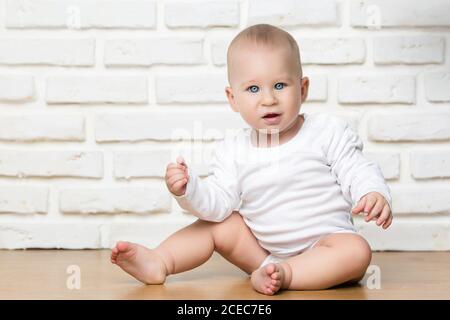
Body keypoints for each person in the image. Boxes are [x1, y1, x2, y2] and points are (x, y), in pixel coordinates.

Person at [111, 24, 393, 295]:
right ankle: (159, 262)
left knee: (357, 251)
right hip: (262, 254)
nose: (268, 99)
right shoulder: (232, 149)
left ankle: (288, 274)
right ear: (232, 98)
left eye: (280, 85)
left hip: (326, 247)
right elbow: (218, 203)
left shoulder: (327, 132)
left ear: (303, 88)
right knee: (218, 224)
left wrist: (371, 191)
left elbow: (356, 167)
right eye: (254, 89)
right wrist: (189, 189)